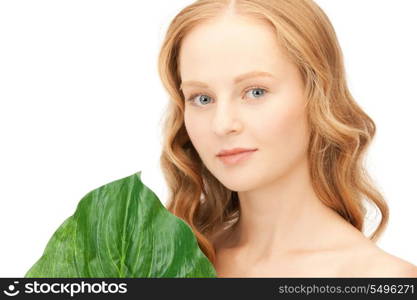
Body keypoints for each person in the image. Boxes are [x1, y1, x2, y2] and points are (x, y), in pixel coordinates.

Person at [157, 0, 417, 277]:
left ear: (318, 95)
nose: (222, 125)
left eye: (255, 92)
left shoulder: (380, 278)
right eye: (203, 98)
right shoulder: (171, 260)